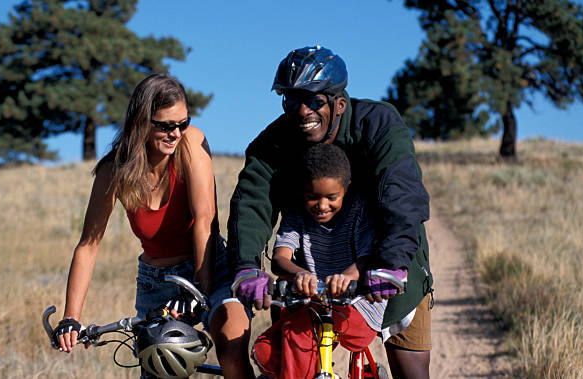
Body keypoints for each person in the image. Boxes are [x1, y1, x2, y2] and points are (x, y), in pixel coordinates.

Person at [229, 46, 433, 378]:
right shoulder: (275, 142)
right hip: (313, 272)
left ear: (339, 103)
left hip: (387, 259)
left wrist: (392, 263)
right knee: (287, 357)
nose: (302, 110)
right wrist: (246, 266)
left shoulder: (378, 124)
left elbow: (403, 194)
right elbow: (252, 201)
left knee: (411, 370)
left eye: (314, 100)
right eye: (291, 100)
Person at [52, 74, 253, 379]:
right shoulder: (113, 171)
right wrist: (71, 317)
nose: (176, 133)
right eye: (165, 125)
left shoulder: (191, 143)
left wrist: (199, 289)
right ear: (142, 122)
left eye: (182, 123)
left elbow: (204, 221)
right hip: (156, 283)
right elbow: (88, 245)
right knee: (160, 367)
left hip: (210, 266)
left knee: (231, 349)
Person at [252, 143, 401, 379]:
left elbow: (367, 257)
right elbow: (280, 259)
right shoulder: (296, 213)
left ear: (346, 188)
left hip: (358, 304)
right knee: (264, 351)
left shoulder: (359, 209)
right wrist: (298, 274)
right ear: (302, 191)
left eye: (332, 197)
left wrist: (347, 277)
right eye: (312, 197)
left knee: (298, 333)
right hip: (312, 302)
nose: (322, 206)